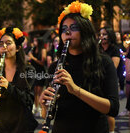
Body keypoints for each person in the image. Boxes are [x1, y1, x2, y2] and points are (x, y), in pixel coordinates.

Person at [39, 1, 119, 133]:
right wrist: (44, 107)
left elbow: (113, 108)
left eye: (74, 28)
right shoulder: (56, 66)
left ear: (85, 31)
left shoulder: (104, 62)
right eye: (64, 29)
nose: (67, 32)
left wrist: (75, 89)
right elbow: (48, 114)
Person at [0, 27, 38, 133]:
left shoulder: (29, 70)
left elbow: (29, 100)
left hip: (21, 124)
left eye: (8, 43)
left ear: (18, 48)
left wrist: (8, 87)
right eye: (1, 44)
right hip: (1, 124)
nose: (4, 47)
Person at [99, 26, 120, 133]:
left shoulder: (114, 49)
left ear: (110, 36)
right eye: (101, 34)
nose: (102, 36)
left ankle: (111, 131)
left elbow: (113, 66)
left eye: (104, 34)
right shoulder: (98, 48)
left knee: (108, 109)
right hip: (97, 80)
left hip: (109, 81)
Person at [28, 37, 47, 117]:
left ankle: (40, 108)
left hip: (40, 72)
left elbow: (42, 62)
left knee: (39, 91)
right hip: (34, 71)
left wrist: (33, 58)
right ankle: (35, 107)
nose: (34, 42)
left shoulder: (43, 50)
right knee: (35, 91)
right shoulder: (33, 49)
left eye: (36, 40)